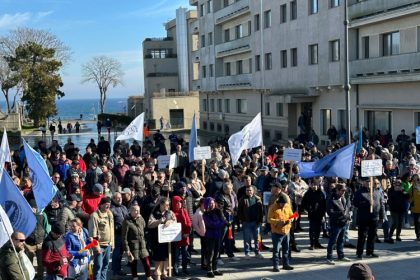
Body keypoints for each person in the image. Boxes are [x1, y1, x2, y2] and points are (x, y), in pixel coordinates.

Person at [353, 177, 385, 259]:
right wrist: (367, 203)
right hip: (363, 217)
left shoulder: (377, 191)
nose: (369, 183)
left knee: (372, 235)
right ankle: (359, 253)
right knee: (362, 236)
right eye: (367, 182)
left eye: (370, 182)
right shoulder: (359, 192)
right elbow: (355, 203)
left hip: (374, 217)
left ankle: (370, 252)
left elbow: (381, 204)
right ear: (363, 183)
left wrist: (382, 216)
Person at [148, 197, 176, 280]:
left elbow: (175, 221)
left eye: (168, 205)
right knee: (159, 257)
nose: (167, 206)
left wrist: (170, 221)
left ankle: (165, 273)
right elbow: (149, 224)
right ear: (161, 204)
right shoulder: (154, 213)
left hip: (168, 240)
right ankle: (157, 274)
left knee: (166, 257)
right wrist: (159, 221)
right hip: (157, 239)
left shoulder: (170, 213)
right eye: (166, 205)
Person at [122, 204, 153, 280]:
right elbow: (124, 237)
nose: (137, 212)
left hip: (142, 244)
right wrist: (127, 249)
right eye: (135, 210)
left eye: (138, 210)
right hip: (133, 245)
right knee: (133, 262)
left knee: (146, 262)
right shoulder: (126, 221)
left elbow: (144, 227)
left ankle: (149, 276)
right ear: (131, 211)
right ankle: (135, 277)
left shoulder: (141, 218)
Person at [88, 197, 114, 280]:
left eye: (109, 205)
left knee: (105, 266)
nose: (108, 207)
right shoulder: (94, 216)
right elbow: (92, 233)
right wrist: (96, 247)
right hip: (100, 246)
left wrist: (112, 243)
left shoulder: (109, 214)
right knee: (98, 267)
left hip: (108, 245)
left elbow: (112, 229)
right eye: (106, 205)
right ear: (101, 204)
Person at [326, 183, 352, 264]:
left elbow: (347, 208)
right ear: (337, 190)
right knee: (333, 241)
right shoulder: (331, 198)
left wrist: (348, 215)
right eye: (342, 191)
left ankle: (341, 255)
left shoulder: (344, 197)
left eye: (344, 191)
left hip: (344, 222)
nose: (343, 192)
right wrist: (341, 213)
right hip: (336, 223)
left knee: (341, 240)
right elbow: (330, 212)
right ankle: (329, 257)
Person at [268, 195, 294, 272]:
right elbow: (269, 219)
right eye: (281, 204)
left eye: (284, 204)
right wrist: (278, 222)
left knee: (286, 249)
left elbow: (292, 215)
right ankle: (275, 266)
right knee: (276, 250)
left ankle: (286, 264)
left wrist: (291, 219)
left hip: (286, 232)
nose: (283, 205)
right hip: (277, 232)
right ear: (278, 202)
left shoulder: (287, 206)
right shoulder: (272, 207)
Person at [237, 184, 264, 258]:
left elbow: (261, 211)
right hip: (246, 222)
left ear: (253, 191)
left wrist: (260, 220)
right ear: (245, 191)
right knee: (247, 239)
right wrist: (242, 220)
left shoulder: (258, 199)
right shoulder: (242, 199)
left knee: (257, 238)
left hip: (256, 222)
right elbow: (239, 211)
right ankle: (247, 253)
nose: (249, 192)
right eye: (247, 190)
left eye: (250, 190)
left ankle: (257, 252)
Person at [202, 197, 225, 278]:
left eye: (213, 203)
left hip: (218, 235)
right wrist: (218, 224)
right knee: (210, 253)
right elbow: (210, 224)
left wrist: (218, 224)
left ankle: (215, 269)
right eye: (210, 203)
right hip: (210, 236)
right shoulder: (205, 214)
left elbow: (223, 221)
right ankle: (209, 270)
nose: (212, 204)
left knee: (216, 253)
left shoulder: (218, 211)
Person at [171, 195, 192, 276]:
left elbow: (189, 222)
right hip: (177, 237)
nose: (179, 204)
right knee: (176, 254)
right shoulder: (172, 213)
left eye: (180, 202)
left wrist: (188, 232)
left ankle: (185, 268)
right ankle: (175, 269)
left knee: (185, 254)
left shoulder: (184, 211)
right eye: (177, 202)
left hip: (185, 236)